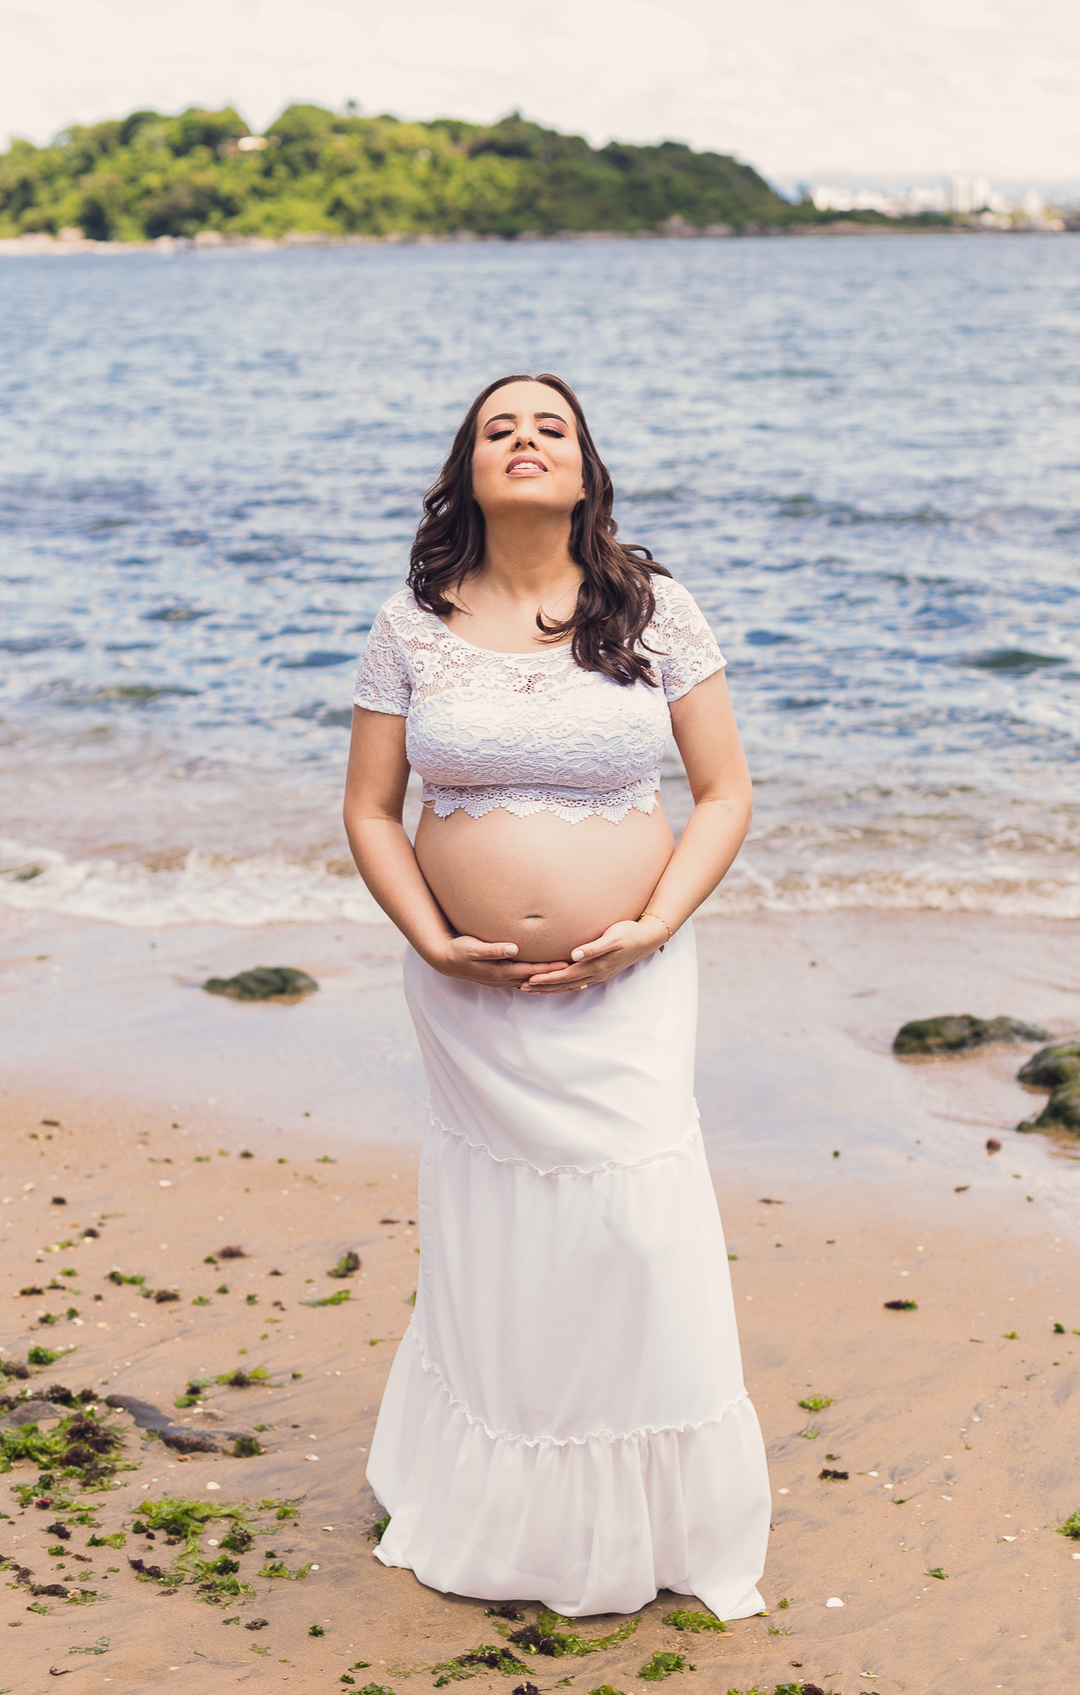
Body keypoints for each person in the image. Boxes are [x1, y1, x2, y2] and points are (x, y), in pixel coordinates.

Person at [343, 372, 770, 1620]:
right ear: (467, 470)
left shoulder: (653, 608)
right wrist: (431, 939)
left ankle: (657, 1515)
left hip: (631, 984)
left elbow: (725, 795)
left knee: (635, 1228)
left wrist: (654, 925)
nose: (525, 439)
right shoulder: (412, 622)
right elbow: (369, 811)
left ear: (586, 471)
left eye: (552, 427)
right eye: (499, 428)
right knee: (504, 1236)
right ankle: (508, 1506)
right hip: (469, 1003)